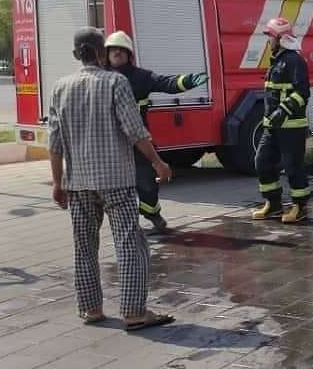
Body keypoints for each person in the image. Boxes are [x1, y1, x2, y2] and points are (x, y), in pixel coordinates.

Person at [48, 26, 174, 330]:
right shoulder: (116, 82)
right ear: (101, 54)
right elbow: (134, 130)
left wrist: (57, 182)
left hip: (78, 184)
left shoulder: (60, 87)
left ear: (76, 54)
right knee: (130, 245)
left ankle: (91, 309)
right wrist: (157, 162)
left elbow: (55, 142)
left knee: (84, 247)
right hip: (116, 182)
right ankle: (134, 312)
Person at [104, 31, 208, 233]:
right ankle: (125, 224)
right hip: (110, 142)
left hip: (138, 141)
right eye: (113, 49)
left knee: (147, 181)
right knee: (114, 186)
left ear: (129, 54)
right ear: (106, 54)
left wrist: (187, 81)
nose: (117, 52)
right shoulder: (100, 78)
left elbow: (165, 82)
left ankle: (153, 214)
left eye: (121, 49)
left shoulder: (141, 77)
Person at [252, 17, 312, 224]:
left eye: (270, 36)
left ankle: (300, 207)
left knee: (293, 167)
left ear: (280, 38)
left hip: (292, 127)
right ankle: (274, 204)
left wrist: (283, 111)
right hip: (272, 126)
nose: (268, 40)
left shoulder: (295, 61)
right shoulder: (277, 60)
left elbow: (302, 92)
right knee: (262, 161)